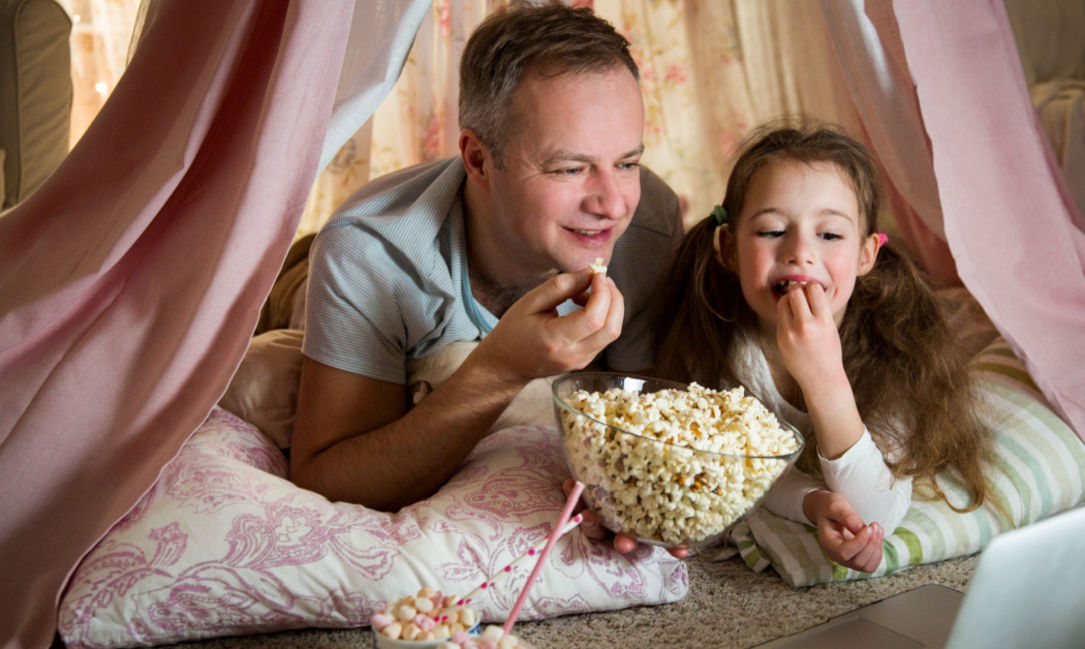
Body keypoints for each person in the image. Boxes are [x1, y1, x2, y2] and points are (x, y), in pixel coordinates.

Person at [290, 2, 683, 529]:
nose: (613, 204)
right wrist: (502, 369)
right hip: (297, 282)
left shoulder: (648, 222)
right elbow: (324, 479)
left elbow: (638, 424)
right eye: (570, 167)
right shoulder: (368, 251)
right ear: (477, 160)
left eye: (627, 163)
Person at [651, 121, 994, 573]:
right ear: (729, 249)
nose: (800, 252)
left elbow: (874, 513)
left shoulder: (891, 353)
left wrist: (824, 376)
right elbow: (741, 471)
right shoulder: (720, 346)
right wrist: (812, 502)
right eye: (772, 231)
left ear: (866, 255)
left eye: (829, 235)